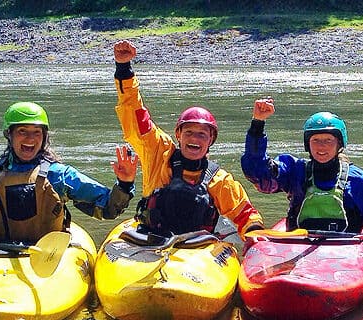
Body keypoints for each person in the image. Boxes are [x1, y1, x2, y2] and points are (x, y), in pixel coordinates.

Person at [112, 40, 264, 239]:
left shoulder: (220, 180)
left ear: (210, 140)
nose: (194, 138)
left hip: (196, 249)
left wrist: (256, 236)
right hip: (150, 239)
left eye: (202, 134)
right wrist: (124, 69)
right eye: (189, 132)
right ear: (178, 135)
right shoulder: (159, 152)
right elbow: (135, 114)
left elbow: (245, 215)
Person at [0, 101, 137, 243]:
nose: (30, 139)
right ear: (10, 135)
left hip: (48, 255)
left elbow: (107, 208)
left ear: (44, 137)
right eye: (22, 131)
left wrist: (124, 184)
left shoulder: (60, 176)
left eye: (36, 132)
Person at [241, 98, 363, 236]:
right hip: (299, 248)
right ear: (308, 144)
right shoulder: (295, 171)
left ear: (339, 144)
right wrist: (257, 124)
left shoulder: (357, 179)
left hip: (346, 254)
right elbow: (257, 173)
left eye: (329, 140)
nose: (321, 146)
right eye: (315, 140)